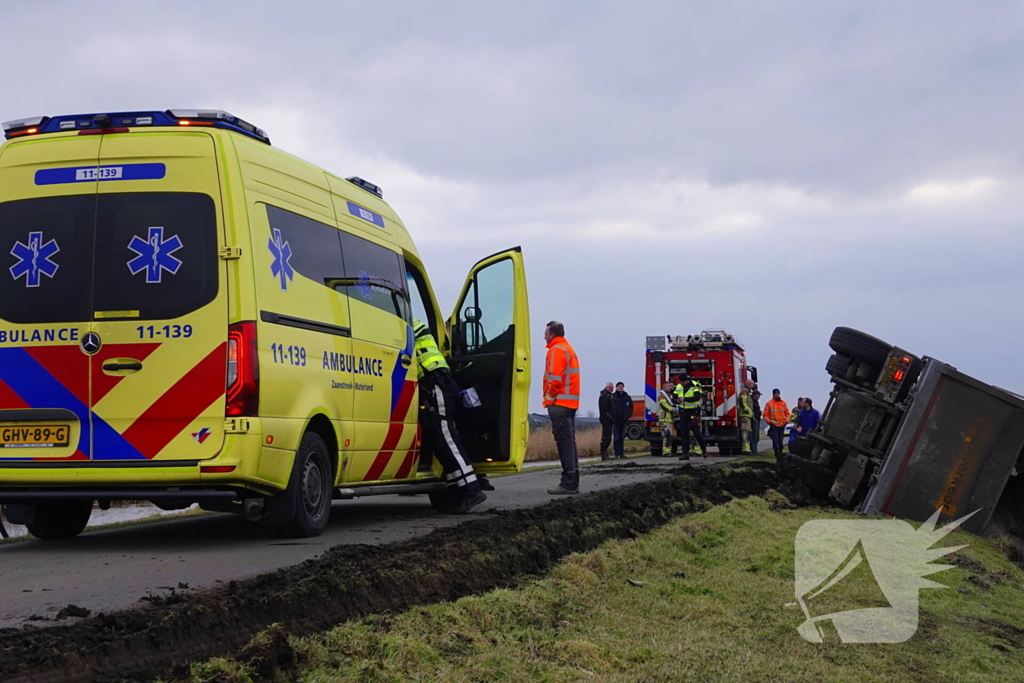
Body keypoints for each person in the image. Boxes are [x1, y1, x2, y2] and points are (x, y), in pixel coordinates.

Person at [413, 318, 486, 513]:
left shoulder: (408, 322)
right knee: (439, 440)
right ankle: (457, 492)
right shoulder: (413, 322)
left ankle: (472, 489)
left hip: (435, 382)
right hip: (434, 383)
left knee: (446, 438)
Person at [543, 321, 581, 494]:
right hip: (569, 404)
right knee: (569, 443)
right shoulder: (567, 349)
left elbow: (554, 378)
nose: (544, 336)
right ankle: (572, 481)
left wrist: (549, 398)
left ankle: (568, 483)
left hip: (559, 403)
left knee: (564, 443)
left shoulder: (556, 350)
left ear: (552, 334)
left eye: (546, 333)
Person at [678, 372, 707, 459]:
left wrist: (684, 399)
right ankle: (685, 454)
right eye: (681, 382)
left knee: (696, 433)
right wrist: (677, 400)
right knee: (684, 434)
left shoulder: (695, 385)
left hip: (694, 412)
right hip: (683, 412)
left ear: (687, 381)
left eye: (683, 382)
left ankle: (704, 450)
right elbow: (674, 397)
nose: (681, 383)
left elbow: (697, 397)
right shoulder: (679, 386)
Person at [764, 389, 790, 459]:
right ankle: (777, 454)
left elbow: (787, 413)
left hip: (782, 425)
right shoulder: (769, 404)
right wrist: (769, 422)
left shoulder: (783, 403)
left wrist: (786, 421)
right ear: (773, 394)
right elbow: (765, 415)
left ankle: (780, 453)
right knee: (776, 440)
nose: (777, 395)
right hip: (774, 425)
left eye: (778, 394)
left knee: (780, 440)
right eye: (775, 394)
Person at [610, 382, 633, 459]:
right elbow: (610, 408)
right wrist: (613, 417)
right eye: (619, 386)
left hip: (624, 420)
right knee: (616, 437)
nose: (620, 387)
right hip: (616, 421)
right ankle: (616, 453)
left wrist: (628, 416)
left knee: (622, 437)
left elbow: (631, 407)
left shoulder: (627, 397)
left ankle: (622, 453)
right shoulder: (613, 397)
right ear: (616, 387)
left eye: (622, 386)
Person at [658, 382, 681, 458]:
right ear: (664, 387)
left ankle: (670, 450)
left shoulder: (669, 395)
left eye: (671, 386)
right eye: (669, 386)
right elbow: (664, 405)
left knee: (672, 436)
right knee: (667, 435)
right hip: (665, 419)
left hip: (670, 419)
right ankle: (666, 452)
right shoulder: (662, 396)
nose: (670, 387)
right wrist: (673, 409)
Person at [598, 382, 615, 461]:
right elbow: (604, 408)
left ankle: (605, 454)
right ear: (606, 387)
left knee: (608, 436)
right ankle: (603, 454)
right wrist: (609, 417)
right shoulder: (605, 395)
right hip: (606, 419)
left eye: (612, 388)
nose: (612, 389)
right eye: (610, 387)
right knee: (606, 436)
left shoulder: (610, 395)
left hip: (609, 419)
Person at [737, 386, 753, 454]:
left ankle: (746, 448)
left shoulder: (746, 391)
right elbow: (743, 402)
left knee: (746, 432)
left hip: (746, 416)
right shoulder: (745, 391)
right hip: (745, 416)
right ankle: (745, 449)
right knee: (745, 432)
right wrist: (748, 410)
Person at [750, 390, 762, 454]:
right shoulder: (752, 401)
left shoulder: (756, 402)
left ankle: (754, 450)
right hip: (754, 419)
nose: (759, 396)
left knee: (756, 437)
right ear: (755, 395)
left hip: (757, 419)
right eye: (758, 395)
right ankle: (753, 450)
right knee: (754, 436)